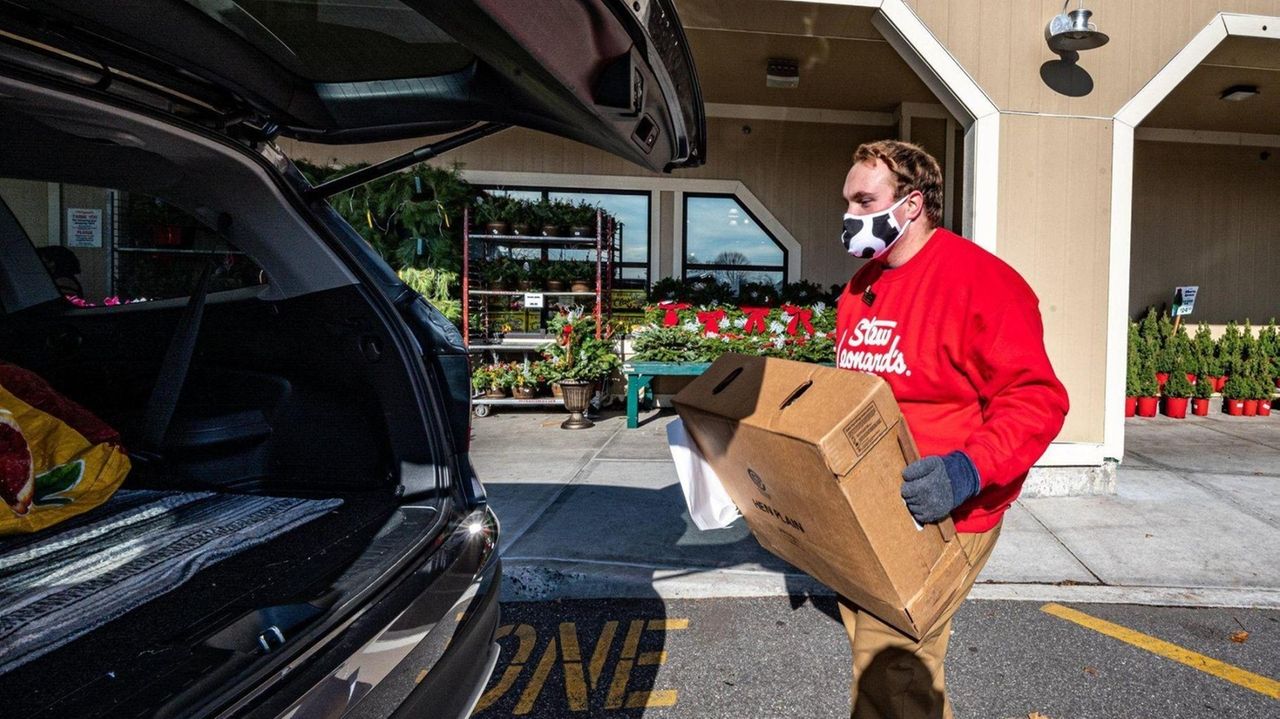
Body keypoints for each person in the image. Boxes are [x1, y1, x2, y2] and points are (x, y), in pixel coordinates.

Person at [834, 140, 1069, 719]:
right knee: (893, 674)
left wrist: (967, 470)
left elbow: (1037, 400)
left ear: (912, 205)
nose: (850, 218)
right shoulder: (859, 288)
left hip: (949, 511)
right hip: (872, 511)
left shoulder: (983, 283)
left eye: (866, 202)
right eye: (847, 203)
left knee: (889, 676)